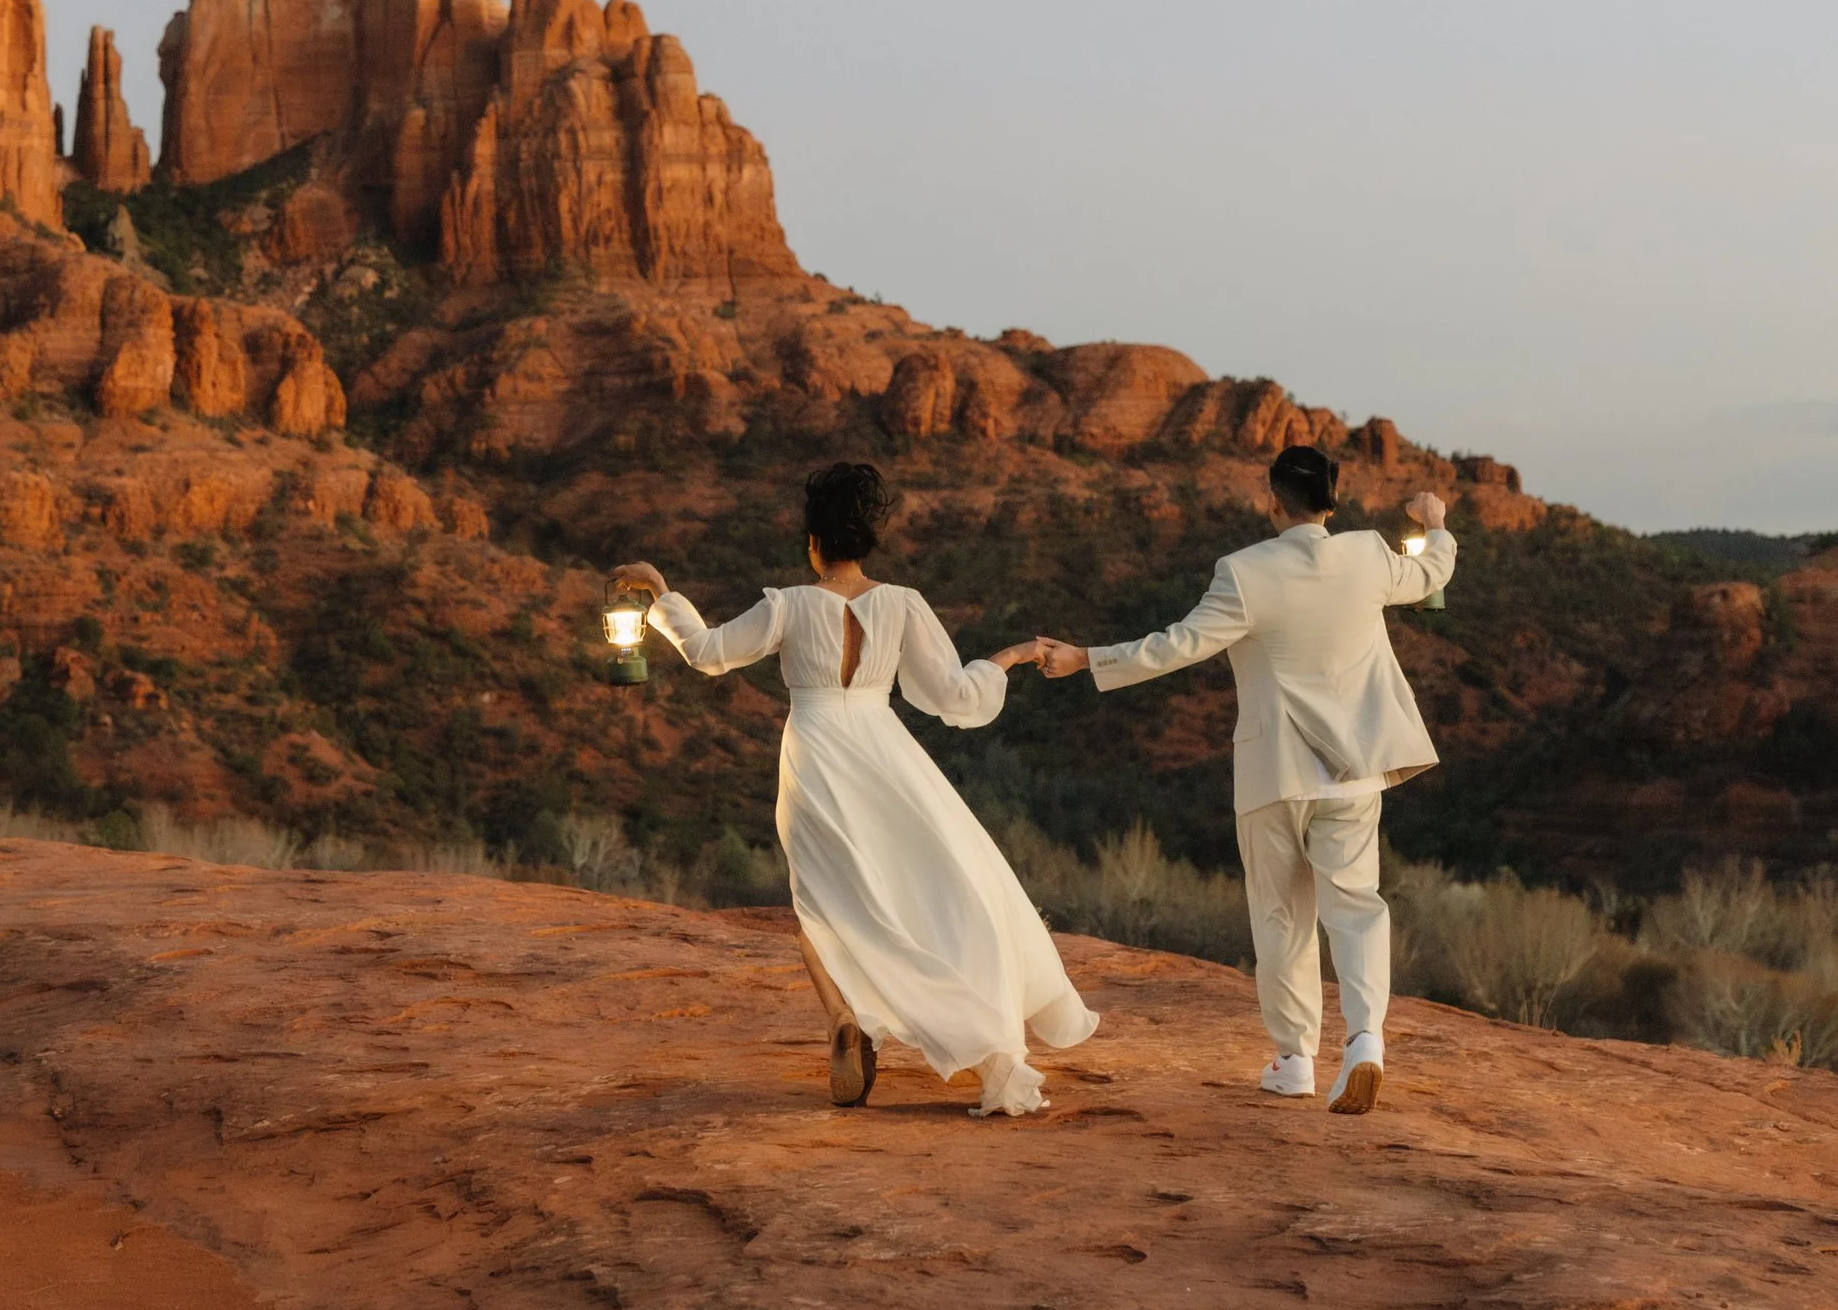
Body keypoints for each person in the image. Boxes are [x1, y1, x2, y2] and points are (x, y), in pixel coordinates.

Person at [609, 462, 1098, 1117]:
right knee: (925, 882)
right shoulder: (901, 604)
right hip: (885, 751)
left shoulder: (786, 604)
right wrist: (1008, 656)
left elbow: (707, 652)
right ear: (868, 538)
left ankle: (842, 1015)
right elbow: (951, 695)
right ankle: (960, 1029)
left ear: (813, 540)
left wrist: (663, 590)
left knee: (819, 897)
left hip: (814, 755)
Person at [1035, 446, 1456, 1115]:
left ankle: (1294, 1060)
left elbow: (1175, 645)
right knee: (1357, 907)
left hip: (1276, 772)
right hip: (1353, 773)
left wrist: (1087, 658)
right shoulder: (1368, 554)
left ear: (1271, 501)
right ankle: (1366, 1041)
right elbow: (1433, 568)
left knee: (1281, 915)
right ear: (1332, 501)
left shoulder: (1244, 572)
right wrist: (1434, 520)